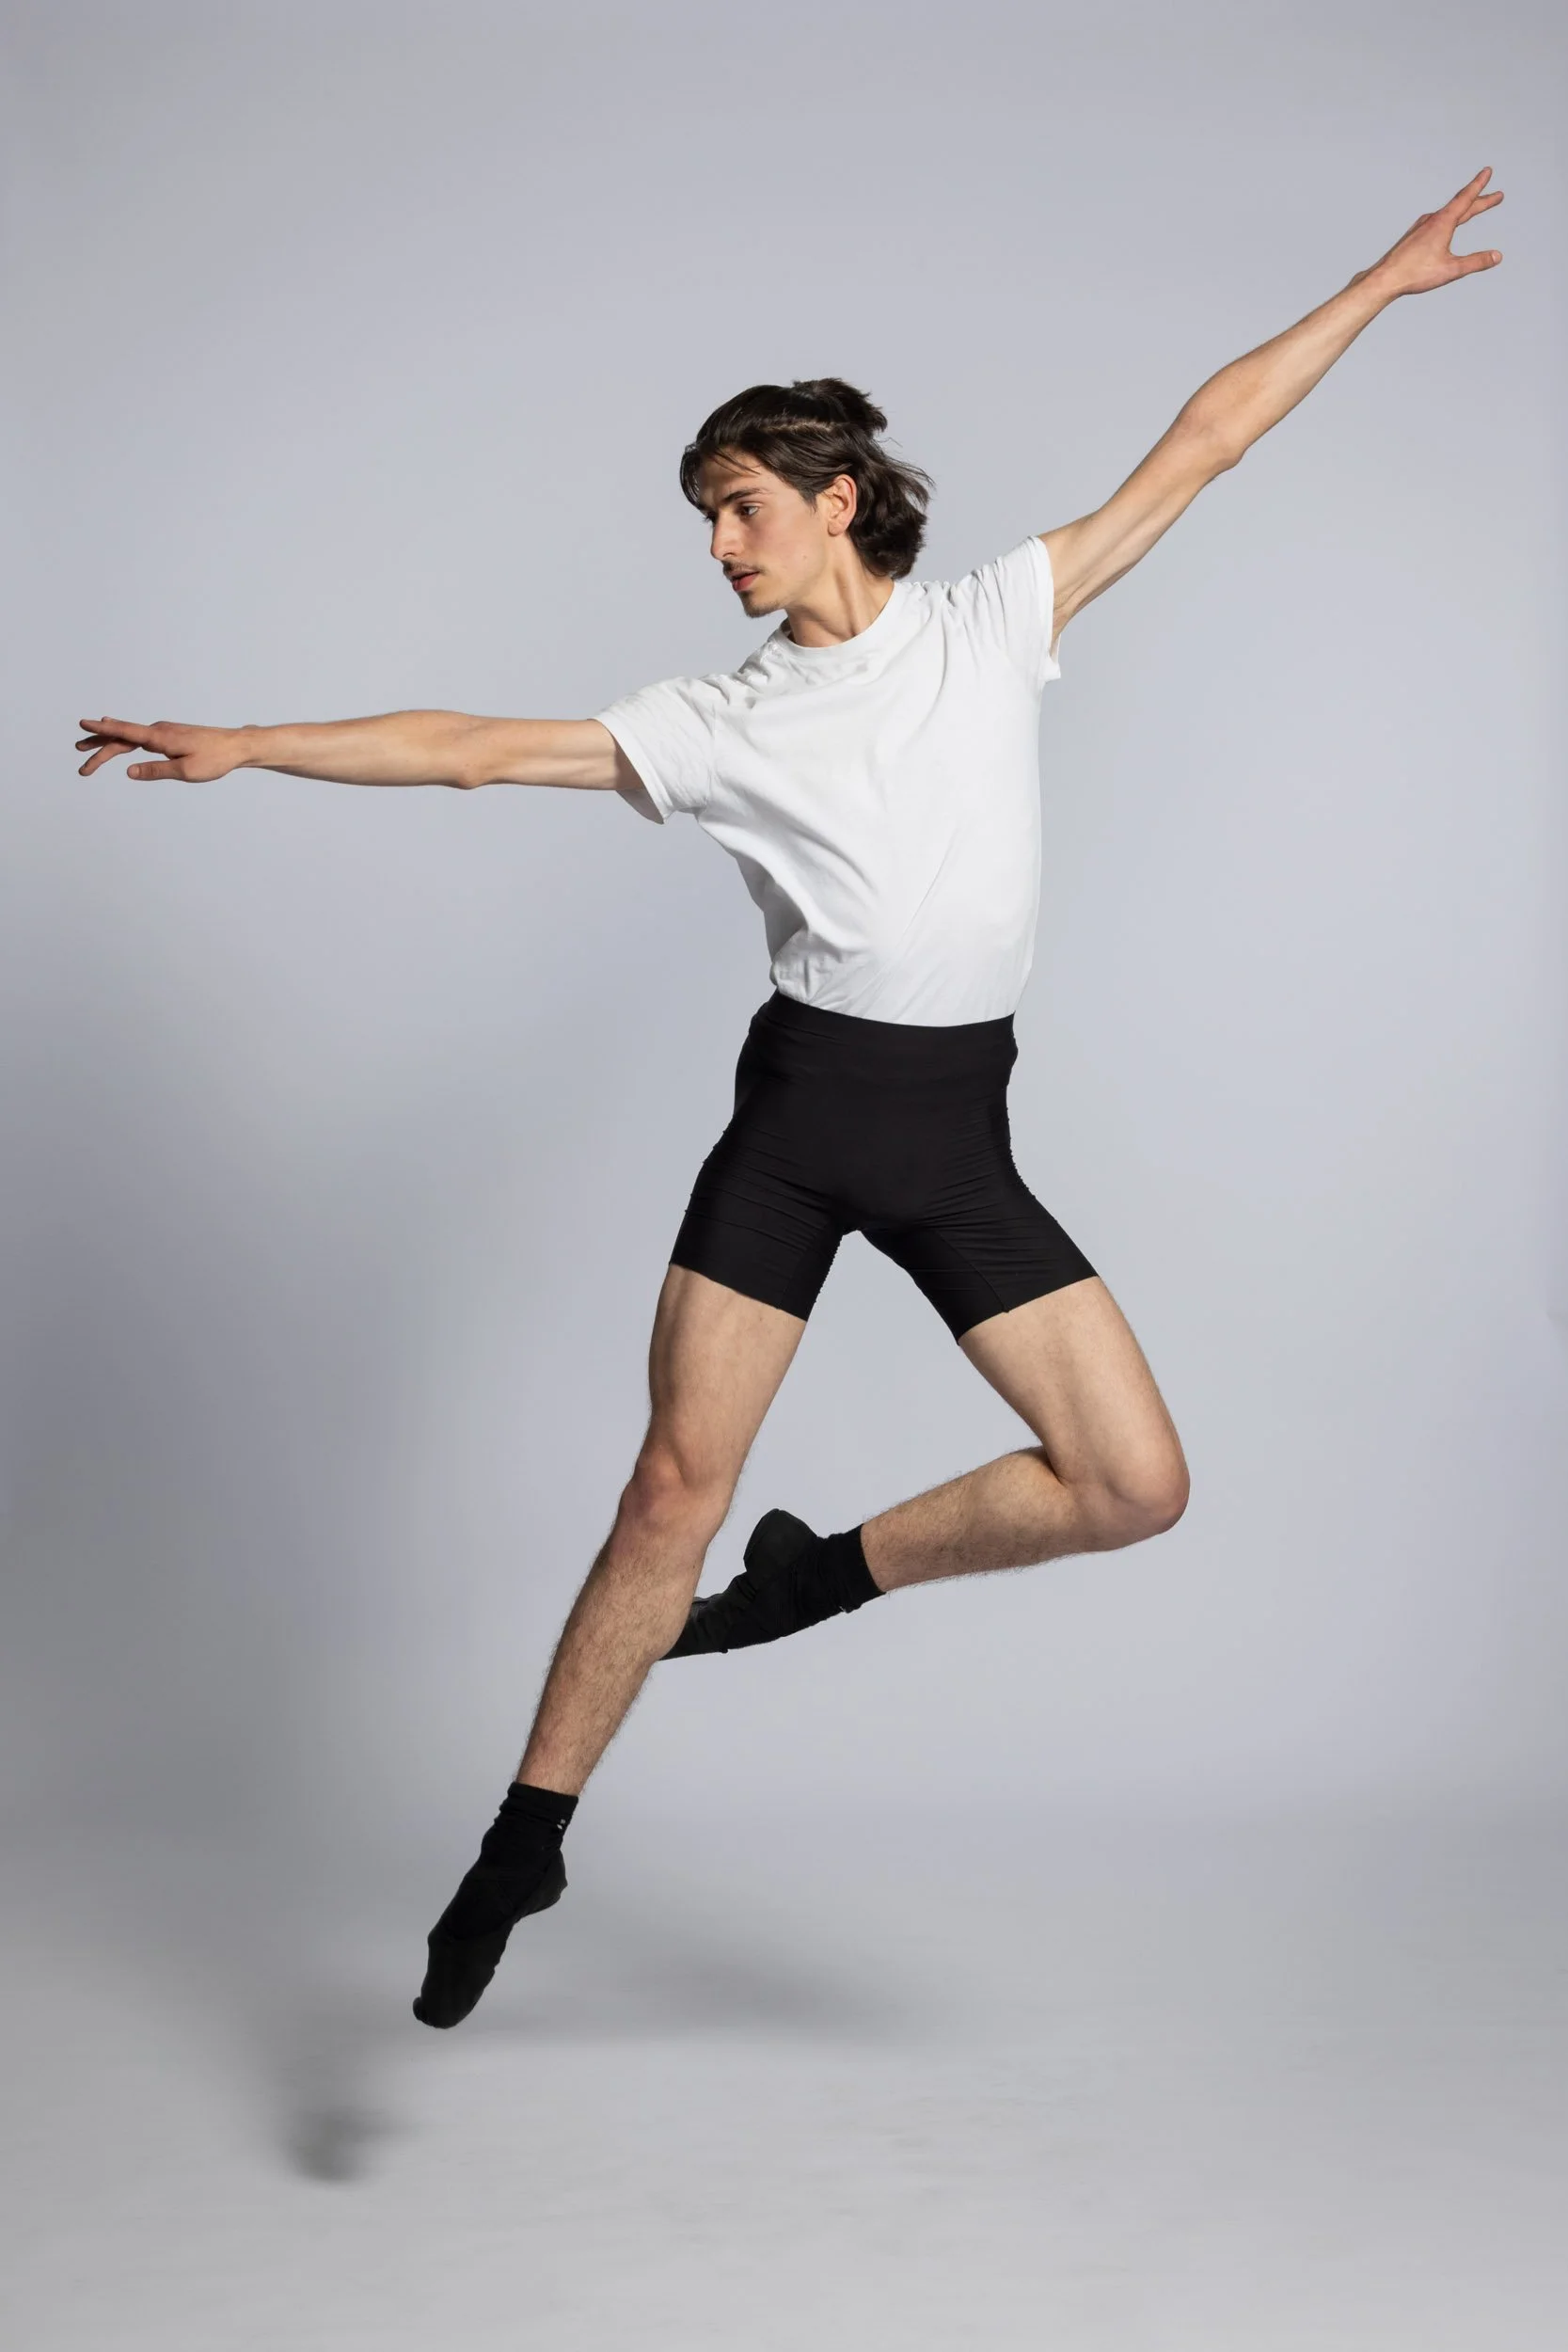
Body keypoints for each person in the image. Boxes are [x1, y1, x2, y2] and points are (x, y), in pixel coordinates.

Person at [76, 170, 1503, 2030]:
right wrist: (254, 741)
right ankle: (525, 1833)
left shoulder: (992, 623)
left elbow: (1202, 440)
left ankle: (817, 1576)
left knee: (1131, 1478)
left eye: (736, 508)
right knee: (669, 1481)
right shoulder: (720, 720)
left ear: (837, 498)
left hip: (953, 1132)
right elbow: (471, 753)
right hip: (802, 1120)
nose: (716, 547)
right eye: (700, 521)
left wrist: (1375, 284)